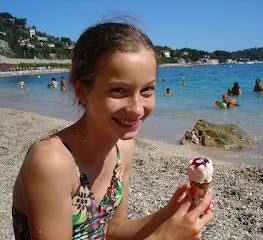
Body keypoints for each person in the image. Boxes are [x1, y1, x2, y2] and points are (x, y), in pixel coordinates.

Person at [12, 20, 214, 239]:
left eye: (147, 89)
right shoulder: (51, 162)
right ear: (82, 92)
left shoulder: (123, 149)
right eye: (118, 90)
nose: (137, 108)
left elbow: (113, 231)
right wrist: (162, 237)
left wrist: (168, 214)